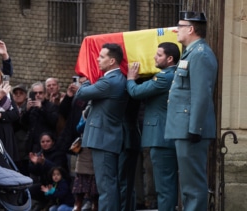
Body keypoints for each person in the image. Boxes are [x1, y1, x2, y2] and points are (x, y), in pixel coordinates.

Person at [164, 11, 218, 211]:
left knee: (193, 186)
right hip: (184, 127)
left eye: (180, 25)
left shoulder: (201, 54)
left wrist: (195, 128)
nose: (176, 29)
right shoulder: (192, 52)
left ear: (191, 29)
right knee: (187, 185)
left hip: (191, 129)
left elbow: (201, 94)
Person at [127, 42, 181, 210]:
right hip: (166, 136)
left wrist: (130, 79)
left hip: (160, 137)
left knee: (164, 186)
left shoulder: (164, 77)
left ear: (170, 58)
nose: (154, 57)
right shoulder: (173, 75)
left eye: (159, 55)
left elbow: (136, 92)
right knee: (167, 184)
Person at [75, 43, 129, 211]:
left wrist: (87, 80)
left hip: (105, 138)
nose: (98, 59)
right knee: (107, 184)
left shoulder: (110, 81)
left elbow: (80, 94)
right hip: (107, 138)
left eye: (102, 57)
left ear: (112, 61)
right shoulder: (113, 79)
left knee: (106, 185)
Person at [29, 132, 68, 210]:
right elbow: (35, 172)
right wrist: (34, 164)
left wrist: (44, 162)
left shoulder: (59, 153)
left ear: (52, 142)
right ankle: (43, 203)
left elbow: (58, 170)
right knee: (29, 190)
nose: (45, 144)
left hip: (58, 185)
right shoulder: (40, 154)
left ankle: (51, 203)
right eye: (43, 142)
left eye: (48, 141)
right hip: (45, 184)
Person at [72, 106, 99, 211]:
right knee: (81, 178)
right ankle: (78, 203)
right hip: (85, 147)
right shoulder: (85, 111)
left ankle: (95, 204)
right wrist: (88, 121)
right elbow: (78, 128)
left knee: (95, 180)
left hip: (97, 146)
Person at [22, 82, 59, 152]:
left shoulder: (51, 106)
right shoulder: (30, 106)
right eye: (35, 93)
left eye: (40, 93)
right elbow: (23, 124)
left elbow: (53, 121)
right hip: (32, 144)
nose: (38, 95)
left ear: (45, 94)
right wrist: (27, 110)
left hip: (47, 145)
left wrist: (41, 108)